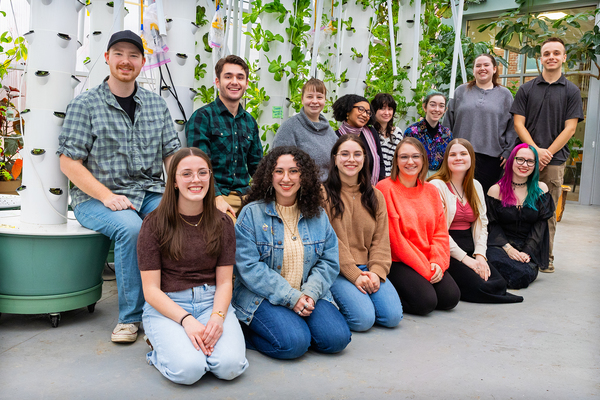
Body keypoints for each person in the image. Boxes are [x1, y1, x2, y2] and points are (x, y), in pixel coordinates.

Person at [57, 30, 181, 343]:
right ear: (107, 58)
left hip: (148, 192)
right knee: (132, 230)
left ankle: (174, 306)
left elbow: (171, 155)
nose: (126, 61)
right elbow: (69, 163)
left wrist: (181, 194)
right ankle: (130, 318)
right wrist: (107, 196)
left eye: (133, 55)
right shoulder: (85, 105)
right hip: (95, 198)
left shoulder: (156, 105)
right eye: (119, 54)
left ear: (142, 62)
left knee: (179, 219)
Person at [137, 148, 248, 385]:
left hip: (211, 303)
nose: (196, 180)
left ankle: (193, 349)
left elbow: (226, 281)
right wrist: (187, 320)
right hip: (169, 305)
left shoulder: (223, 223)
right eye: (186, 174)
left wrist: (218, 318)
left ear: (210, 176)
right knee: (189, 371)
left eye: (202, 173)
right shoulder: (154, 224)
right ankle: (158, 348)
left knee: (230, 367)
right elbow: (151, 291)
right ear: (175, 181)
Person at [233, 146, 351, 359]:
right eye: (279, 171)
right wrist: (291, 297)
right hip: (263, 296)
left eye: (294, 171)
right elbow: (248, 267)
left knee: (336, 340)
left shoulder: (318, 214)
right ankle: (245, 331)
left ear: (303, 176)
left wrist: (310, 294)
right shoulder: (252, 214)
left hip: (307, 292)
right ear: (270, 175)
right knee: (293, 345)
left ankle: (293, 326)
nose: (286, 178)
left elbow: (329, 260)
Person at [511, 37, 584, 273]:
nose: (551, 57)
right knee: (517, 207)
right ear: (540, 58)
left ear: (564, 57)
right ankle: (516, 252)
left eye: (556, 53)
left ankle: (546, 257)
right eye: (546, 53)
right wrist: (534, 151)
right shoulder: (526, 89)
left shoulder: (571, 91)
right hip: (524, 158)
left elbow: (570, 128)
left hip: (554, 161)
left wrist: (547, 153)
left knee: (547, 212)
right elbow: (518, 124)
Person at [323, 135, 402, 331]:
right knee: (363, 320)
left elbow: (381, 240)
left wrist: (376, 272)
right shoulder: (322, 194)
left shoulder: (376, 196)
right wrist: (354, 274)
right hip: (337, 269)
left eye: (357, 154)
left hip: (368, 266)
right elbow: (328, 241)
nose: (351, 159)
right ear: (334, 158)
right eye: (345, 154)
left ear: (365, 159)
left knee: (392, 317)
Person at [428, 139, 523, 303]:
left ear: (471, 158)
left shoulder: (476, 185)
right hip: (446, 246)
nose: (458, 158)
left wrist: (480, 256)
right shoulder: (437, 186)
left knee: (498, 283)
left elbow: (482, 224)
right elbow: (439, 231)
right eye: (453, 154)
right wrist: (467, 260)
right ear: (446, 160)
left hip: (469, 243)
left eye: (463, 154)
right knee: (480, 287)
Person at [376, 137, 460, 316]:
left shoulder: (430, 190)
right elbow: (395, 239)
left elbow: (440, 231)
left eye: (415, 156)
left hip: (427, 258)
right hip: (398, 261)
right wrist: (425, 270)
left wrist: (438, 262)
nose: (410, 162)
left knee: (450, 298)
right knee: (425, 303)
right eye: (404, 157)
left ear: (423, 160)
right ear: (396, 161)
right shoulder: (385, 188)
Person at [186, 55, 263, 220]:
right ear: (217, 82)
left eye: (240, 77)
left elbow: (258, 167)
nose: (234, 82)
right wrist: (215, 197)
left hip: (247, 197)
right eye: (228, 76)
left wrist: (264, 196)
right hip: (214, 195)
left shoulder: (250, 122)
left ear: (246, 84)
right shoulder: (202, 117)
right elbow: (198, 166)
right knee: (232, 232)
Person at [444, 53, 517, 193]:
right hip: (461, 155)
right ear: (473, 70)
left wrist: (508, 151)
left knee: (485, 200)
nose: (482, 68)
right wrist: (448, 149)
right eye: (478, 66)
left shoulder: (505, 95)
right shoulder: (460, 91)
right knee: (458, 196)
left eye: (486, 65)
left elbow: (512, 127)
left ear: (494, 69)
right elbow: (448, 122)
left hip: (492, 158)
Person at [486, 144, 555, 289]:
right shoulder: (495, 190)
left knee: (521, 274)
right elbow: (492, 225)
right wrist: (508, 249)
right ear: (511, 161)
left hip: (528, 248)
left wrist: (526, 251)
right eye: (520, 159)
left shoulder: (541, 190)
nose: (525, 165)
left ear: (535, 165)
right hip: (500, 246)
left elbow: (540, 227)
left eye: (530, 161)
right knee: (493, 262)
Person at [272, 78, 337, 181]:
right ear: (302, 99)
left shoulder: (330, 131)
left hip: (328, 190)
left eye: (319, 97)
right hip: (300, 189)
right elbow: (278, 163)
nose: (315, 101)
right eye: (310, 97)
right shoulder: (289, 128)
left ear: (325, 100)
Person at [332, 94, 386, 185]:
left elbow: (380, 162)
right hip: (343, 190)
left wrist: (378, 189)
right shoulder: (335, 137)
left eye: (368, 112)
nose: (365, 115)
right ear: (348, 110)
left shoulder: (372, 133)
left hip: (371, 190)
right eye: (361, 109)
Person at [404, 91, 452, 177]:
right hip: (417, 176)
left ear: (445, 110)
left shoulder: (447, 134)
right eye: (433, 105)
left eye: (441, 106)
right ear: (424, 107)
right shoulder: (412, 132)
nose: (437, 109)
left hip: (440, 177)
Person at [371, 93, 404, 177]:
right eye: (382, 108)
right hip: (373, 178)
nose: (386, 113)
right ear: (374, 110)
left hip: (392, 179)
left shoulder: (397, 132)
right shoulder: (369, 132)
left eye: (390, 109)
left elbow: (398, 159)